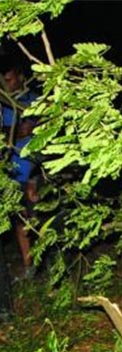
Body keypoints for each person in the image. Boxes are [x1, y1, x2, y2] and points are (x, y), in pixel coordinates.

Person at [1, 61, 39, 275]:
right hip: (11, 172)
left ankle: (51, 265)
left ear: (21, 76)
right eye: (3, 81)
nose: (7, 84)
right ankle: (29, 268)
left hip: (33, 170)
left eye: (10, 79)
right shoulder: (3, 104)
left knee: (38, 218)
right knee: (19, 220)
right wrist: (14, 132)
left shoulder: (33, 101)